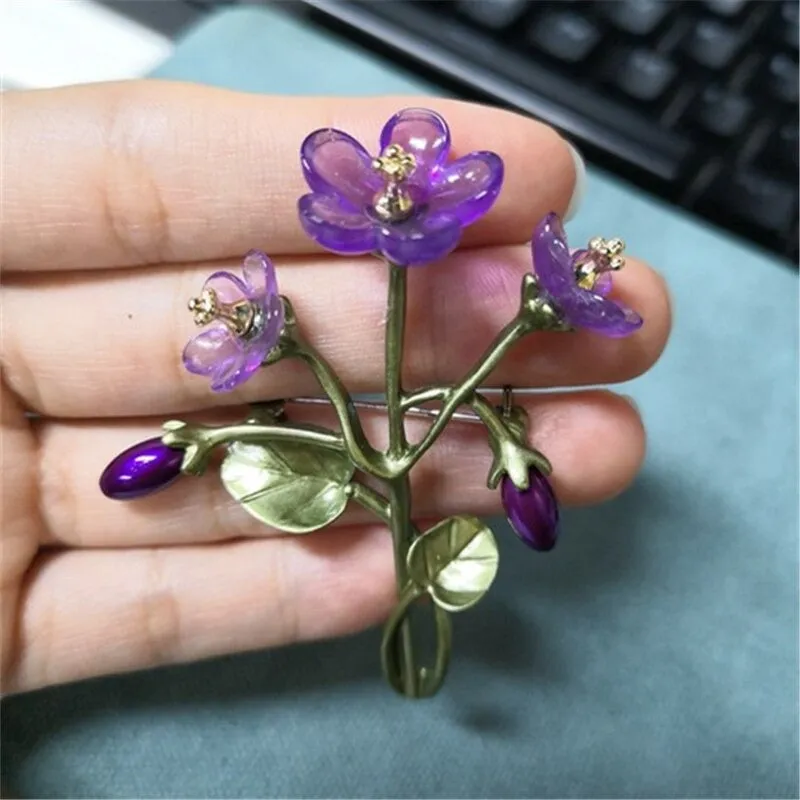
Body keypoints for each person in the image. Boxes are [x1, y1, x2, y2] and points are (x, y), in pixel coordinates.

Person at [0, 80, 671, 694]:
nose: (396, 191)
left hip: (425, 303)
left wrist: (505, 429)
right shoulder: (342, 217)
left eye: (402, 185)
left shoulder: (443, 206)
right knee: (318, 437)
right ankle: (214, 444)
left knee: (404, 472)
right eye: (390, 188)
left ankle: (430, 568)